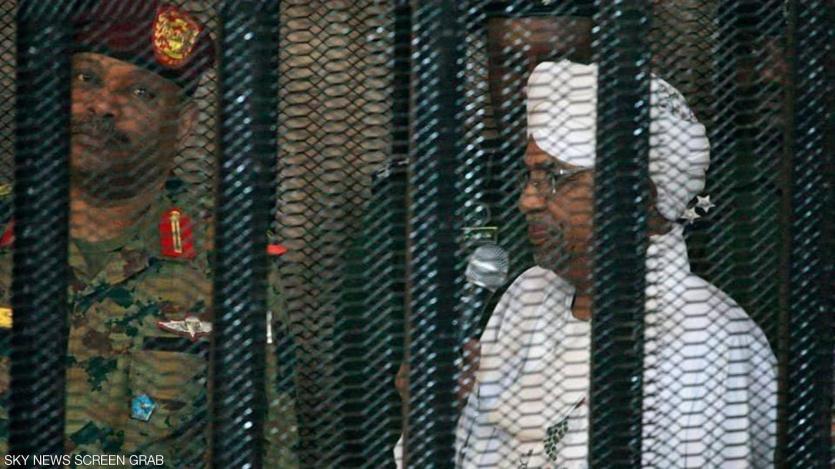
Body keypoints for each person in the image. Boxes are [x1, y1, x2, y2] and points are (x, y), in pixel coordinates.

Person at [0, 2, 298, 466]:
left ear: (183, 126)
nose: (103, 105)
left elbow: (270, 442)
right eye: (86, 78)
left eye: (140, 92)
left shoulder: (229, 255)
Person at [451, 60, 777, 468]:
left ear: (637, 195)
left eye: (554, 177)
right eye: (530, 177)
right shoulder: (526, 296)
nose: (528, 200)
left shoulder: (704, 335)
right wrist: (429, 412)